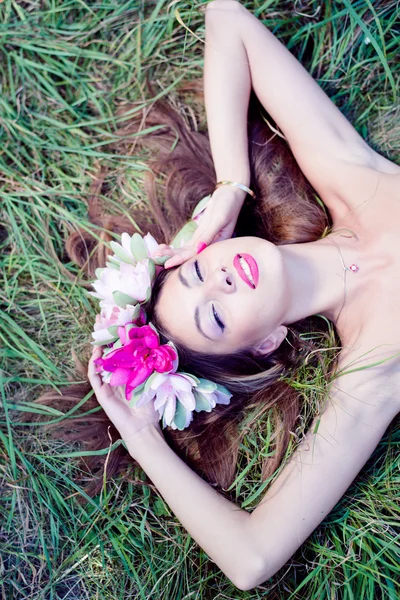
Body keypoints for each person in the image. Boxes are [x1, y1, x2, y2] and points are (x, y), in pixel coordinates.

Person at [50, 0, 400, 591]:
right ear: (266, 344)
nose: (223, 279)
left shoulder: (344, 174)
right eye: (215, 314)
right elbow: (250, 560)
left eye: (196, 273)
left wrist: (231, 184)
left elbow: (226, 19)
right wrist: (141, 437)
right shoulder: (373, 369)